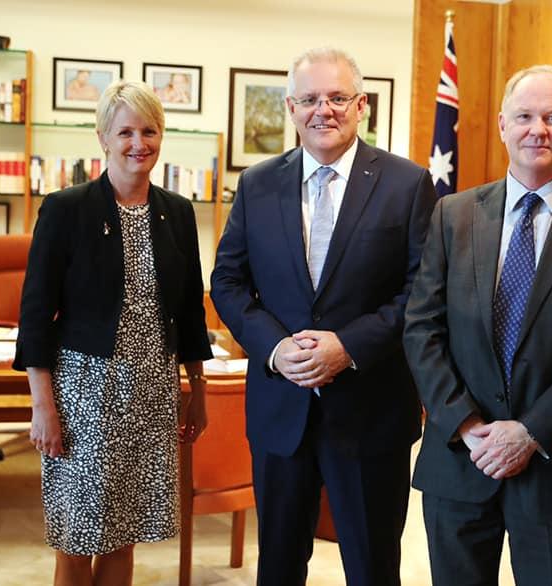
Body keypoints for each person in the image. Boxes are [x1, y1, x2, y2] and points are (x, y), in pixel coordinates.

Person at [403, 65, 552, 586]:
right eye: (526, 116)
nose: (539, 129)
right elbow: (422, 327)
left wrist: (531, 432)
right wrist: (467, 426)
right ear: (501, 125)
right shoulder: (453, 213)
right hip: (460, 459)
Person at [210, 47, 437, 586]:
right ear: (290, 108)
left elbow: (423, 289)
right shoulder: (258, 183)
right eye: (310, 99)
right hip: (280, 409)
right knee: (280, 566)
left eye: (337, 97)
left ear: (362, 106)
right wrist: (275, 348)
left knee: (373, 566)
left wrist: (348, 347)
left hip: (371, 409)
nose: (323, 110)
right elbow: (227, 280)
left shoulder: (408, 184)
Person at [14, 80, 212, 585]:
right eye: (125, 131)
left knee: (125, 532)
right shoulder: (66, 209)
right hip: (85, 395)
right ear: (103, 137)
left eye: (149, 130)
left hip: (151, 393)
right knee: (78, 535)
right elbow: (35, 314)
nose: (137, 143)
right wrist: (42, 406)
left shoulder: (179, 212)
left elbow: (189, 309)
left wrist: (198, 390)